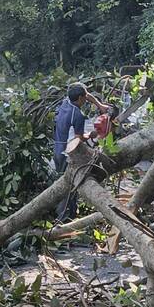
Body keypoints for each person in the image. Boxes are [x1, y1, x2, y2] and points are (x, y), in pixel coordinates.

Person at [53, 82, 110, 221]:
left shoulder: (66, 102)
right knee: (69, 184)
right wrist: (92, 134)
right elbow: (79, 139)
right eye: (84, 98)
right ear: (79, 98)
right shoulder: (77, 115)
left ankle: (66, 213)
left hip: (56, 147)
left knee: (64, 180)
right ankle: (64, 219)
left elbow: (86, 94)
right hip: (66, 152)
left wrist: (100, 106)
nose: (86, 100)